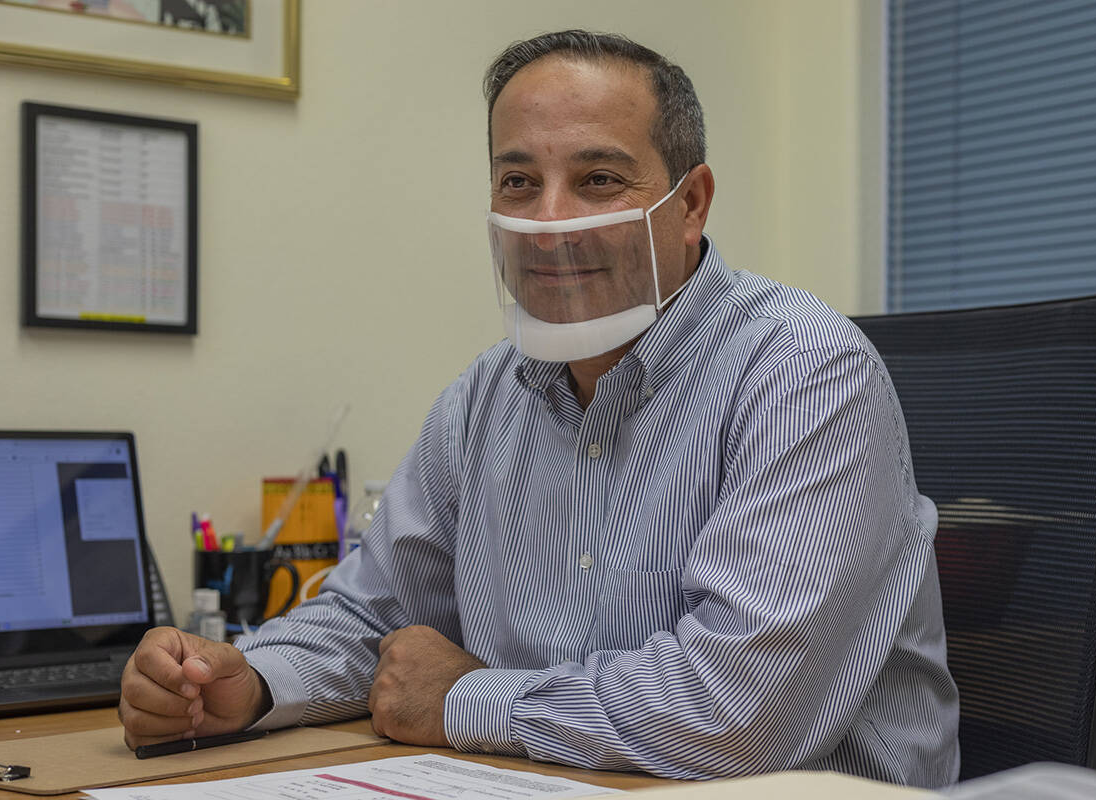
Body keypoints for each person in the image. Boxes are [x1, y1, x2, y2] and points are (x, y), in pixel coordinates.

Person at [118, 30, 960, 787]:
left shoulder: (805, 372)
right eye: (519, 182)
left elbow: (736, 710)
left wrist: (466, 699)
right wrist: (248, 681)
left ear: (692, 204)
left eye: (597, 180)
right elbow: (371, 617)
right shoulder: (488, 395)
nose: (549, 225)